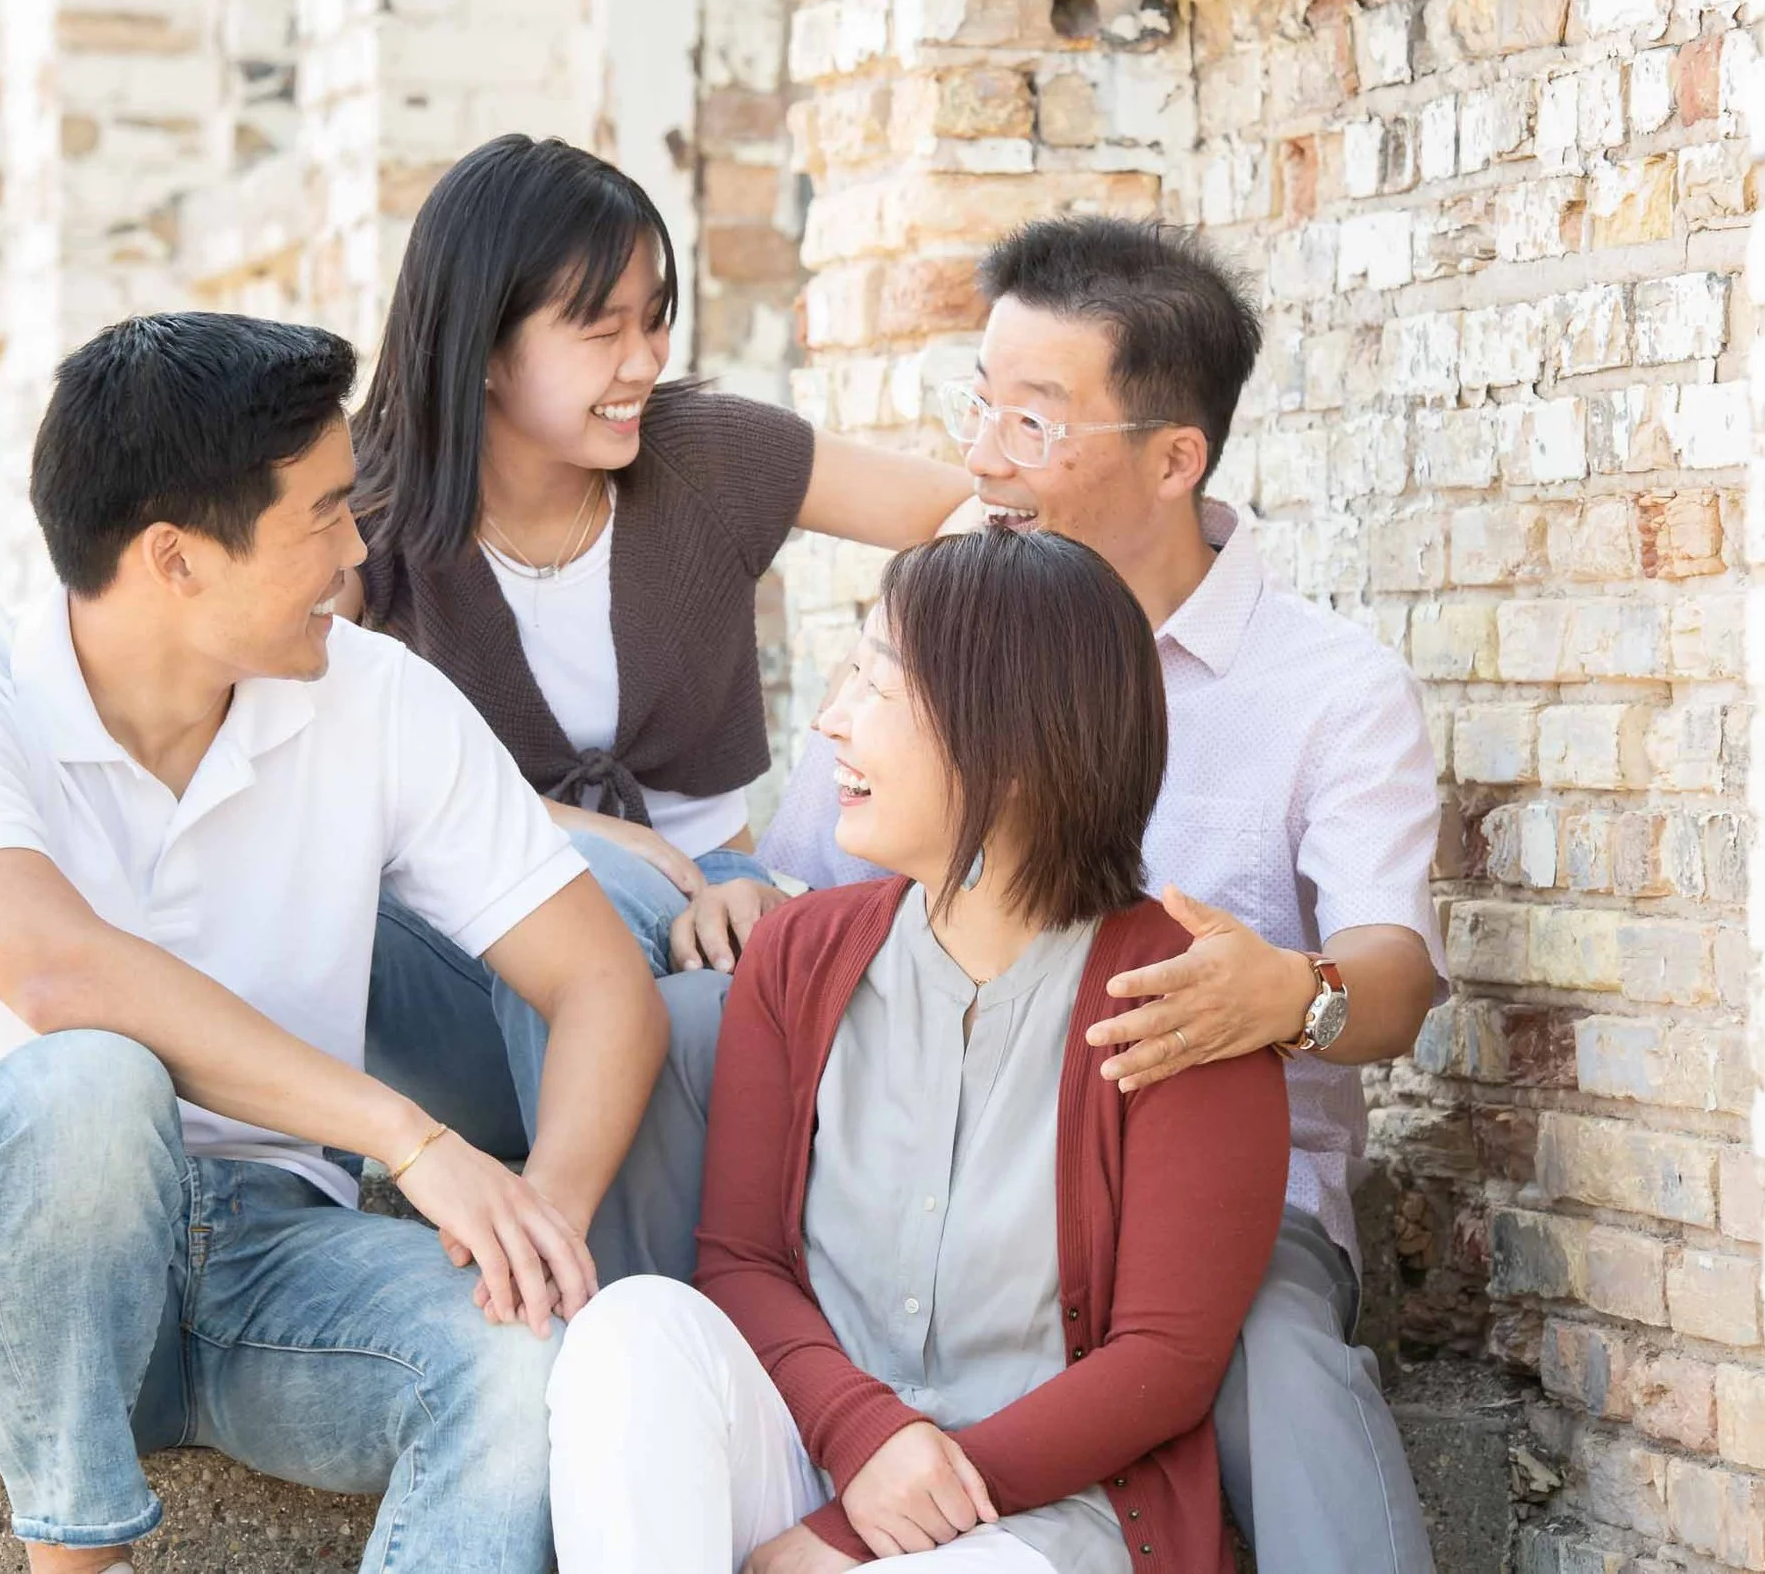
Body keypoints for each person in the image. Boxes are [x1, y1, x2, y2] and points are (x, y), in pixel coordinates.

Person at [0, 312, 697, 1574]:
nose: (357, 549)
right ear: (174, 558)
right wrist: (409, 1138)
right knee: (91, 1077)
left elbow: (597, 981)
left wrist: (542, 1221)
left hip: (270, 1260)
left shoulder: (373, 695)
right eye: (322, 513)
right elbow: (53, 969)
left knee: (530, 1360)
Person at [759, 217, 1446, 1573]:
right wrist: (728, 906)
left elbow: (1396, 977)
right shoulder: (944, 619)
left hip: (1206, 1209)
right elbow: (803, 887)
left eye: (1034, 417)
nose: (981, 454)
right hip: (927, 1176)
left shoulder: (1330, 690)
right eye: (980, 402)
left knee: (1278, 1360)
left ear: (1173, 455)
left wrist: (1288, 995)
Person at [546, 528, 1289, 1574]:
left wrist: (846, 1536)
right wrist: (860, 1442)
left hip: (1046, 1517)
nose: (830, 719)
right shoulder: (799, 953)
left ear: (1012, 742)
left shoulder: (1181, 999)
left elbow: (1162, 1364)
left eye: (876, 686)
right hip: (813, 1454)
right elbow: (742, 1262)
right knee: (631, 1327)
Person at [348, 134, 968, 1211]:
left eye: (653, 318)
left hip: (712, 921)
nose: (642, 360)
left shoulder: (703, 457)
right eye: (600, 330)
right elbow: (321, 766)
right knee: (575, 894)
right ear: (483, 346)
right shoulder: (364, 517)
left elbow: (969, 517)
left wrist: (885, 668)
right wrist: (604, 841)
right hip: (455, 966)